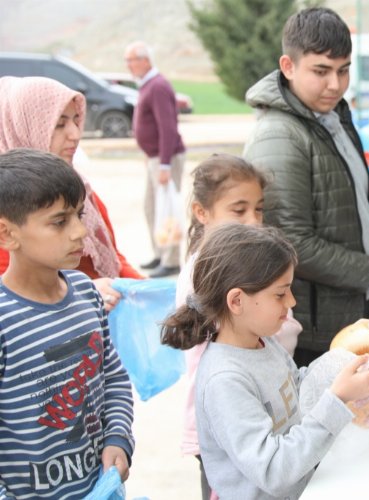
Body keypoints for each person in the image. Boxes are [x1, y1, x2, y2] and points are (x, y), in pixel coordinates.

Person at [243, 6, 369, 367]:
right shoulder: (279, 136)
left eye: (344, 70)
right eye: (320, 71)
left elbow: (349, 198)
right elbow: (288, 242)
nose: (335, 84)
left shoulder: (332, 115)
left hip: (350, 307)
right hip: (314, 330)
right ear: (288, 66)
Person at [161, 223, 369, 499]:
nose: (290, 301)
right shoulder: (225, 381)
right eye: (280, 293)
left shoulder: (262, 340)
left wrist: (344, 357)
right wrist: (337, 399)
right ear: (237, 301)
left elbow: (297, 386)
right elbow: (272, 471)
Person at [0, 148, 135, 498]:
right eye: (60, 221)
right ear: (6, 234)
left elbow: (114, 378)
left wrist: (118, 439)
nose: (80, 232)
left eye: (80, 214)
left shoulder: (85, 293)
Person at [175, 153, 302, 499]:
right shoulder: (210, 272)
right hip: (228, 419)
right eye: (239, 210)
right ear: (202, 212)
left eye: (259, 209)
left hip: (258, 409)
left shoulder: (243, 264)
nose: (253, 221)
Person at [0, 75, 144, 312]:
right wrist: (81, 292)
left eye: (76, 120)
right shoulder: (9, 200)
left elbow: (114, 262)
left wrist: (152, 290)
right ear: (22, 126)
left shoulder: (80, 189)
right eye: (59, 124)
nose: (75, 134)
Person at [124, 40, 186, 278]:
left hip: (165, 157)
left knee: (166, 208)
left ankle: (171, 260)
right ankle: (160, 253)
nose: (128, 65)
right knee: (151, 208)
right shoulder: (147, 85)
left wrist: (164, 163)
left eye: (131, 60)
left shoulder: (158, 86)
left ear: (145, 60)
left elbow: (167, 127)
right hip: (154, 156)